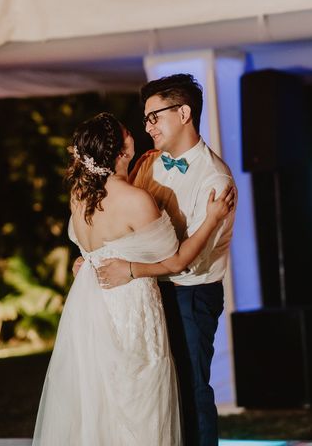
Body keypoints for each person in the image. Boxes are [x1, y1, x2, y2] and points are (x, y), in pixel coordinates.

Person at [31, 112, 234, 446]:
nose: (137, 132)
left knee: (103, 397)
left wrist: (84, 260)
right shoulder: (136, 200)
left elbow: (90, 247)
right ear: (120, 153)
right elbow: (177, 260)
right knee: (139, 392)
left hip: (91, 307)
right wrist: (212, 219)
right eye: (128, 133)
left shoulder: (79, 195)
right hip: (130, 306)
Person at [97, 74, 237, 446]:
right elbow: (128, 227)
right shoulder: (148, 163)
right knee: (155, 386)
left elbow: (188, 261)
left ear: (184, 113)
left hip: (190, 294)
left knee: (191, 388)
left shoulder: (215, 179)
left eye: (154, 117)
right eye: (146, 119)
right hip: (148, 293)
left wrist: (128, 269)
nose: (148, 126)